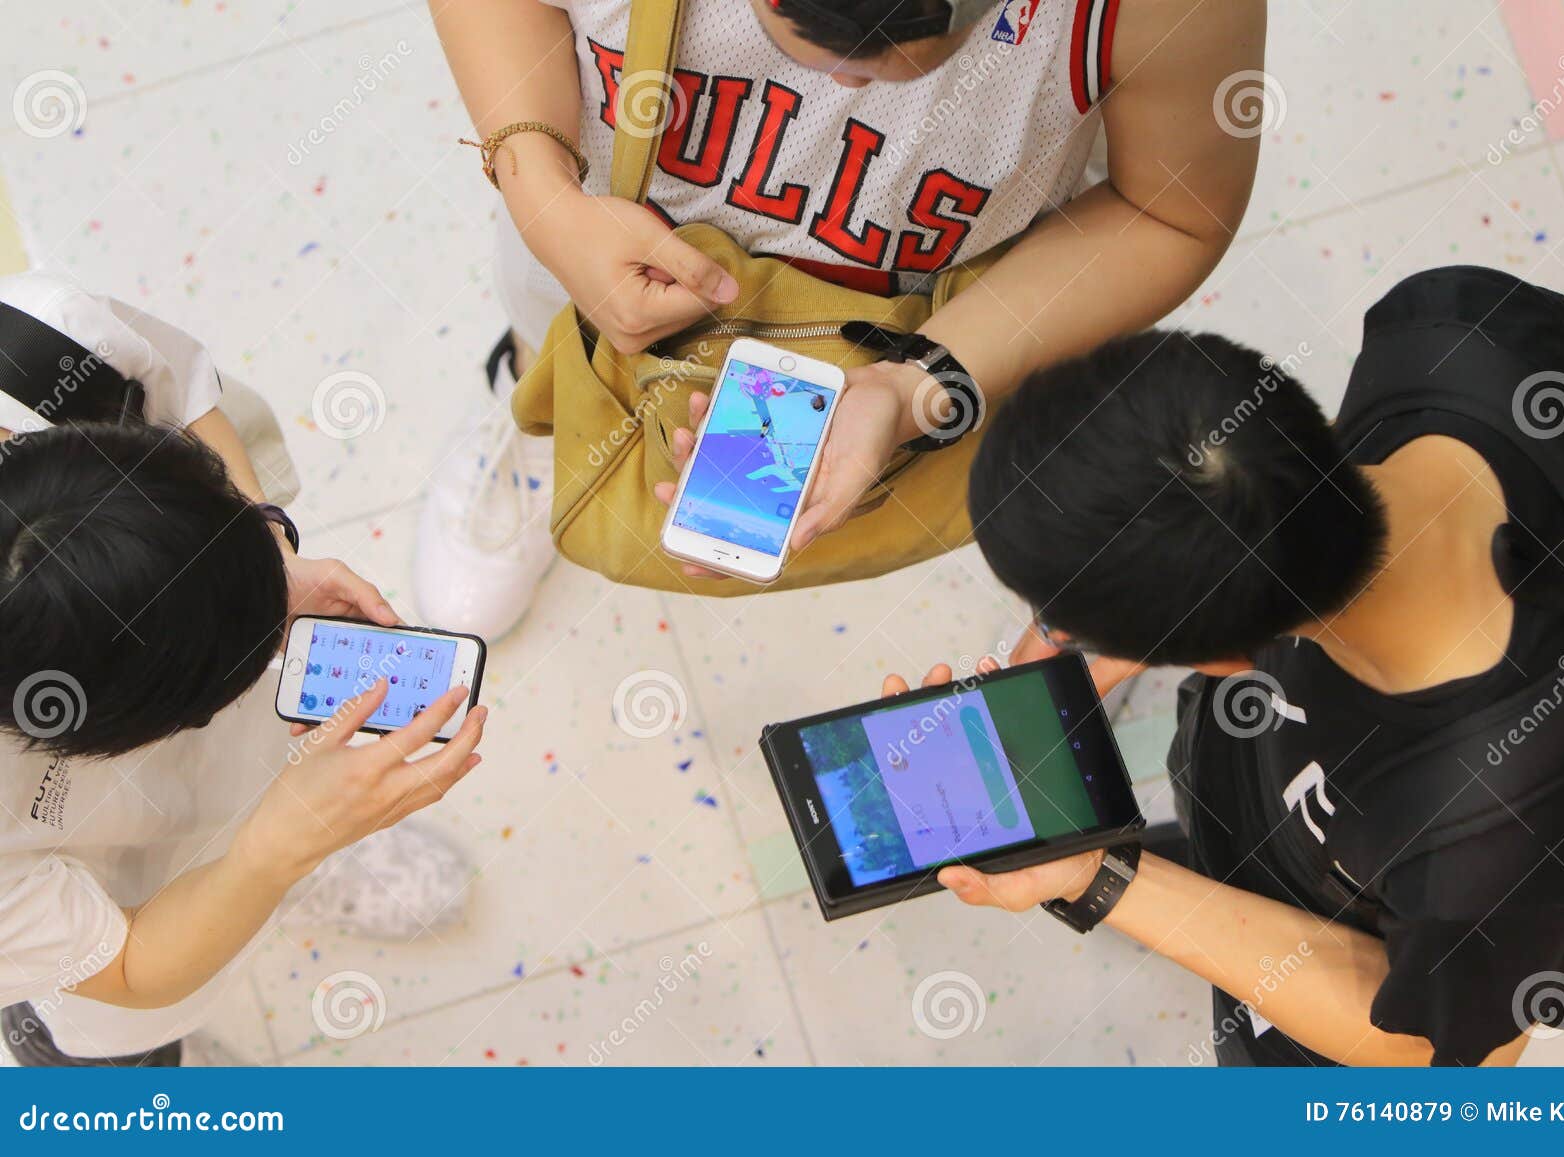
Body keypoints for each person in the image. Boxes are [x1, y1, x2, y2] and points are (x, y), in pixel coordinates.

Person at [902, 265, 1564, 1066]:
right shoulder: (1455, 335)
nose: (1056, 635)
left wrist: (1103, 875)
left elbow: (1430, 1049)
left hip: (1364, 946)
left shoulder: (1481, 839)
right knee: (1219, 834)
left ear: (1224, 658)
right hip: (1296, 815)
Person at [421, 0, 1264, 626]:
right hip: (598, 235)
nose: (844, 83)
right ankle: (539, 414)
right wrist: (545, 202)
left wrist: (919, 382)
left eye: (900, 54)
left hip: (936, 300)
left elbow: (1172, 210)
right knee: (550, 333)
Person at [0, 272, 489, 1066]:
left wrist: (264, 543)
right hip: (117, 919)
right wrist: (271, 851)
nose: (272, 644)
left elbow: (184, 395)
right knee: (116, 1067)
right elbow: (125, 962)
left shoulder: (36, 349)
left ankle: (288, 845)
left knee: (269, 756)